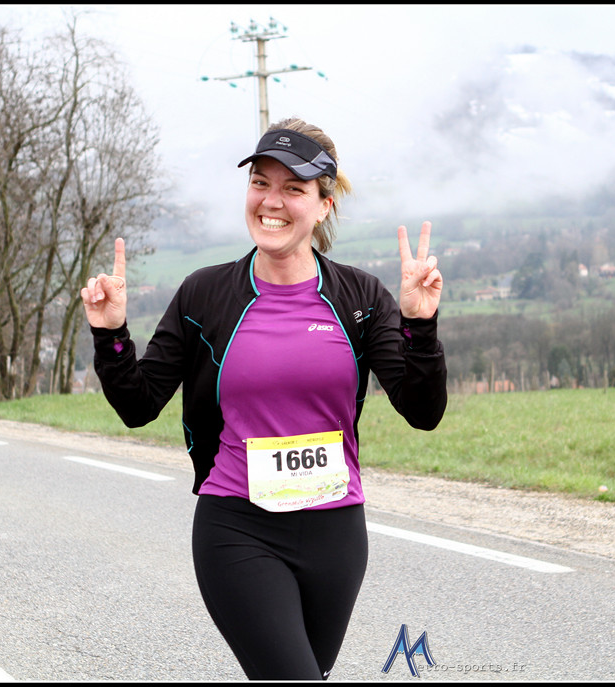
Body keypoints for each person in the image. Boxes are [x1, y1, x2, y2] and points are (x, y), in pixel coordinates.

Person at [82, 118, 447, 680]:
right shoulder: (206, 293)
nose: (271, 202)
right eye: (260, 183)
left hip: (335, 533)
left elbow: (423, 411)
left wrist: (420, 326)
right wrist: (111, 335)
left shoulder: (360, 297)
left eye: (293, 189)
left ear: (323, 206)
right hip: (237, 526)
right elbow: (139, 404)